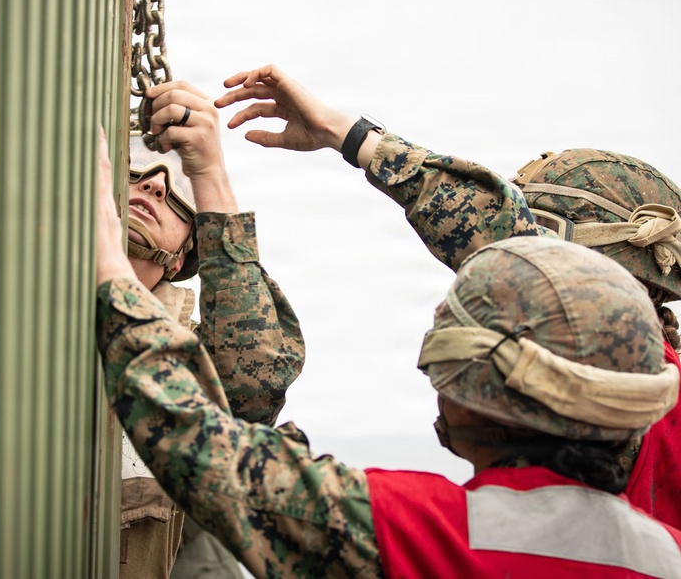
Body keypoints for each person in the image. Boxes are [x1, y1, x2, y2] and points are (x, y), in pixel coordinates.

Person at [96, 120, 681, 575]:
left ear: (467, 393)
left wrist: (109, 277)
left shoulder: (427, 536)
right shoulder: (664, 554)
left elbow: (205, 447)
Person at [217, 63, 681, 526]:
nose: (512, 273)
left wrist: (347, 134)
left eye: (541, 246)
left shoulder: (630, 373)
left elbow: (498, 234)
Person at [115, 80, 304, 579]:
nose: (155, 185)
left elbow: (255, 388)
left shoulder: (186, 366)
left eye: (178, 189)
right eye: (135, 167)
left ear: (181, 256)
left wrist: (208, 171)